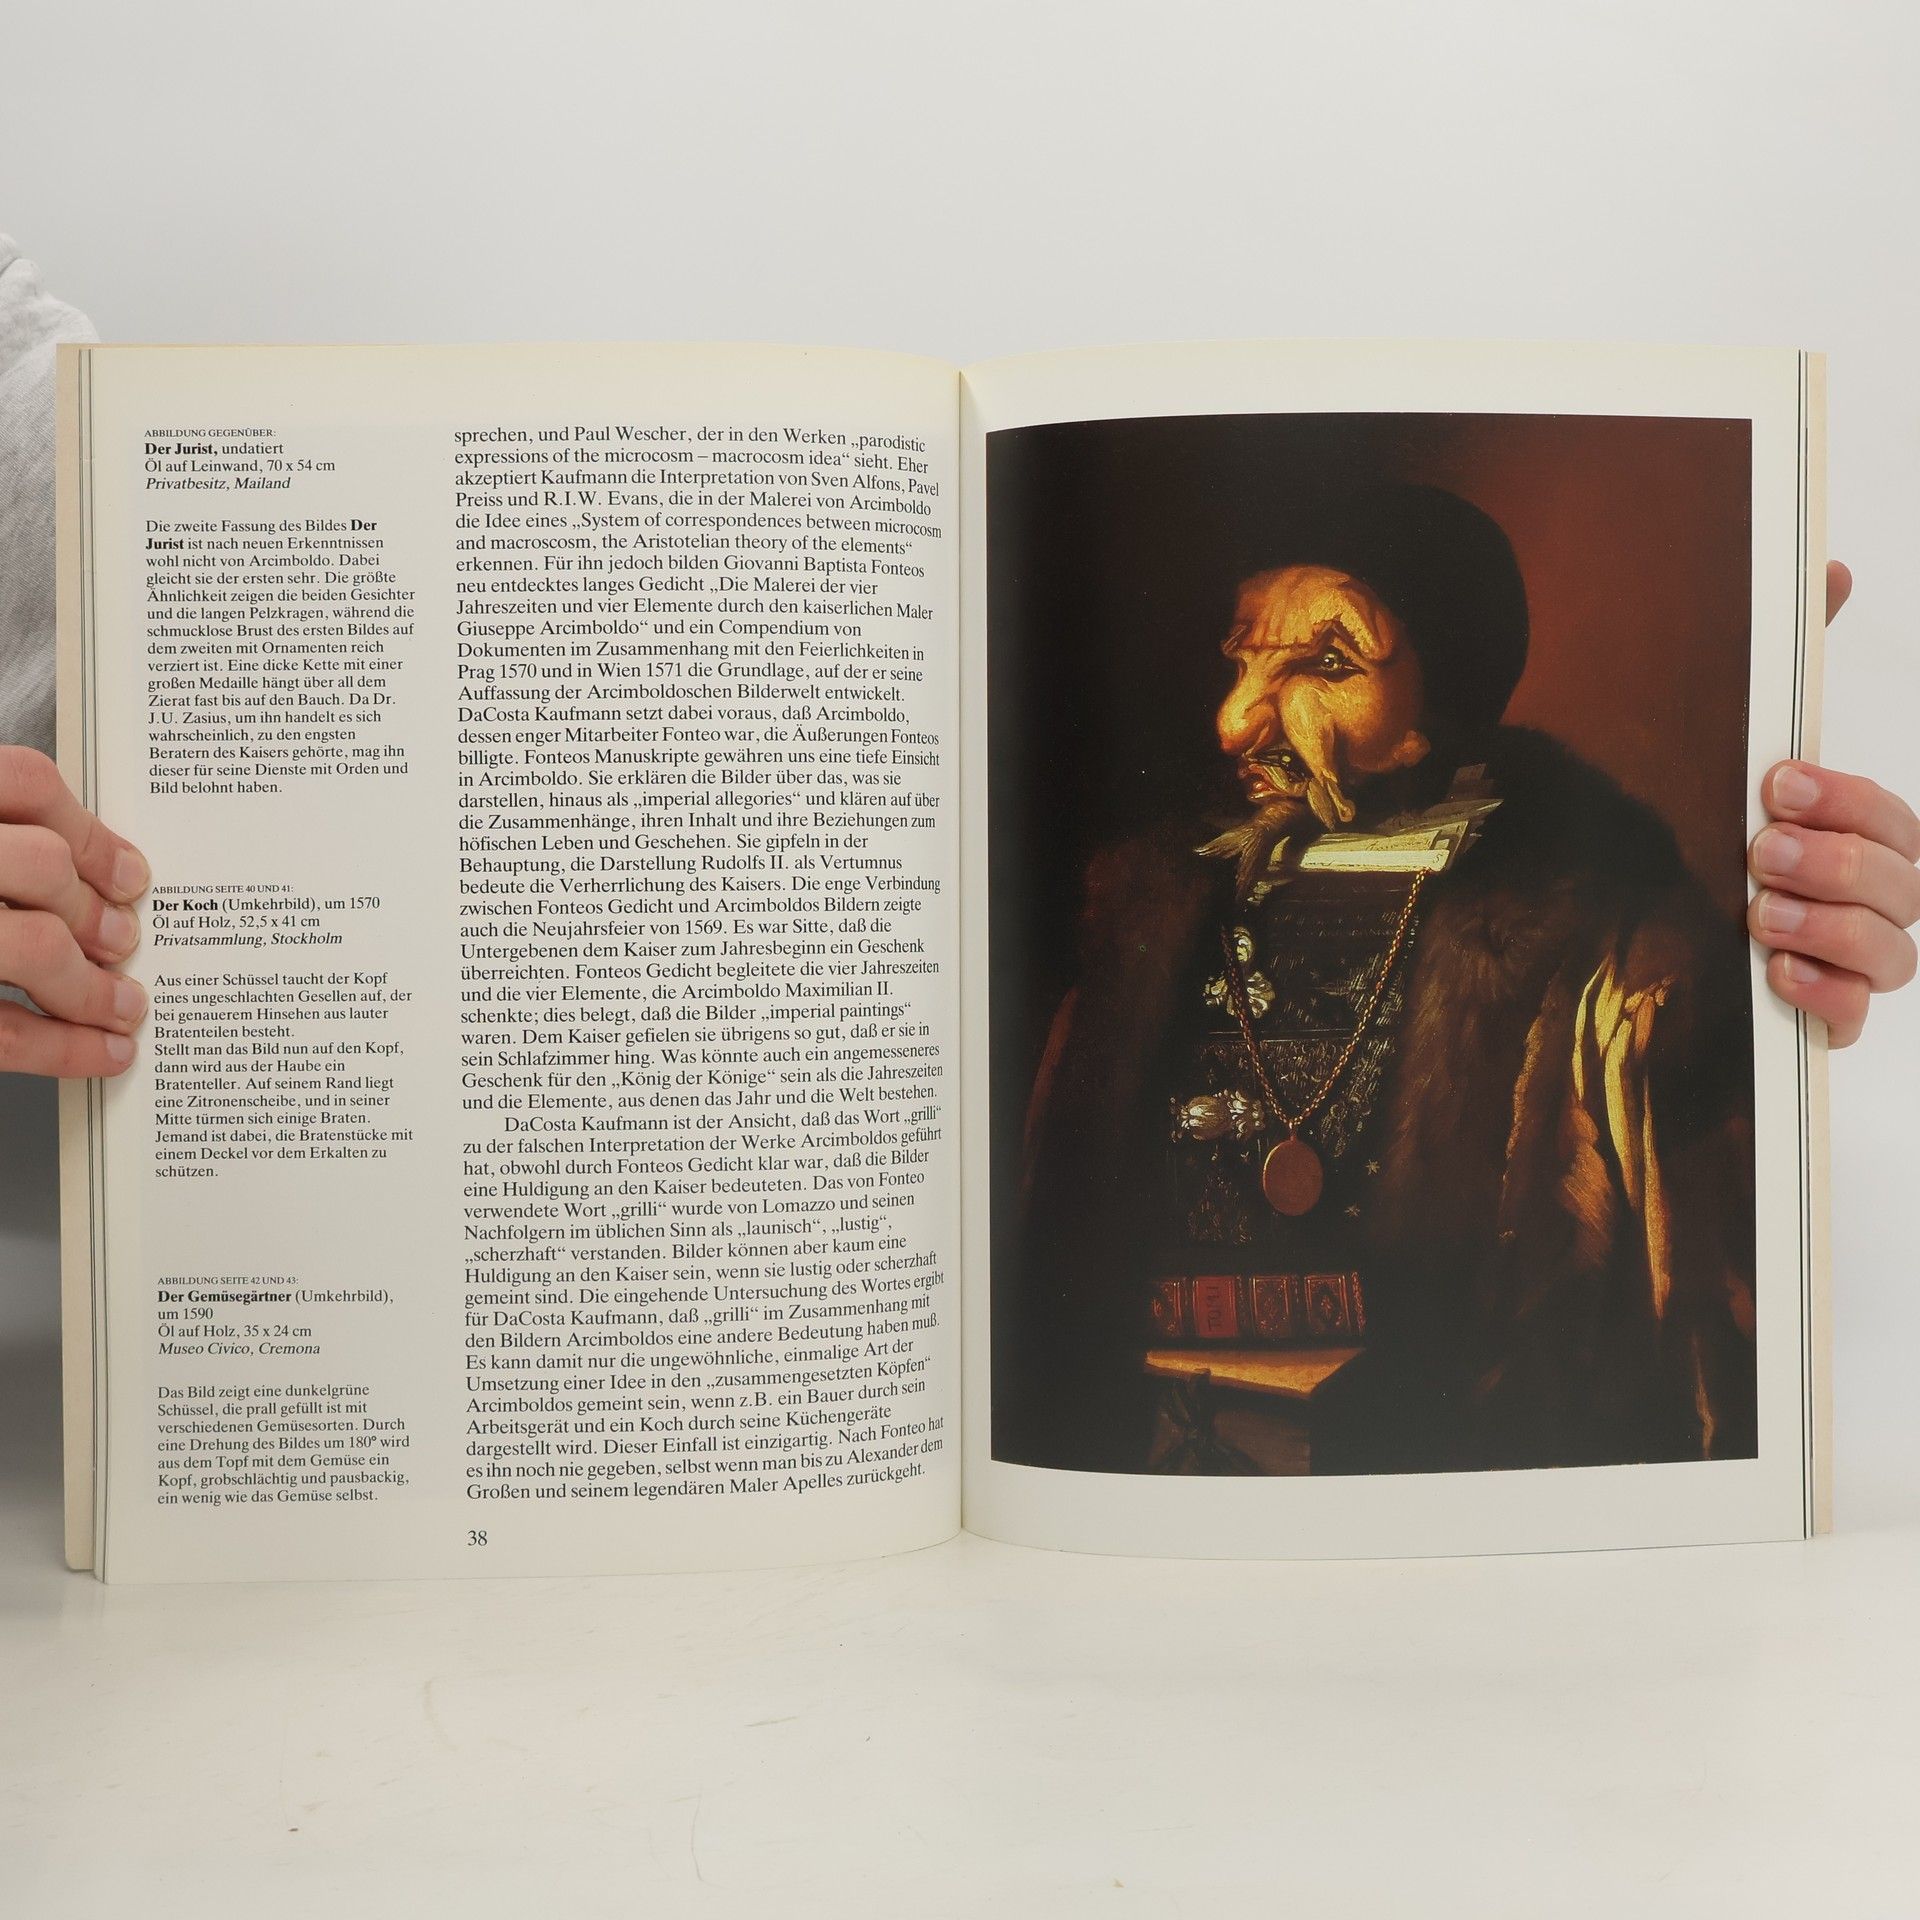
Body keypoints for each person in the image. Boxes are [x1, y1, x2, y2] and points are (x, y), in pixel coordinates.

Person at [1001, 486, 1920, 1477]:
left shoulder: (1618, 968)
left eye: (1329, 667)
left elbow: (1701, 1355)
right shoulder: (1144, 933)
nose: (1237, 723)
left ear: (1444, 703)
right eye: (1245, 661)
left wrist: (1771, 1033)